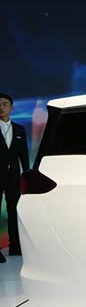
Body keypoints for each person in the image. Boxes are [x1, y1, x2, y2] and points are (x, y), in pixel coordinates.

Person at [0, 94, 30, 263]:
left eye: (5, 104)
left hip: (14, 178)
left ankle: (15, 246)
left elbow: (23, 155)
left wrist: (26, 175)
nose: (1, 107)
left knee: (14, 212)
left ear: (11, 108)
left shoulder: (19, 129)